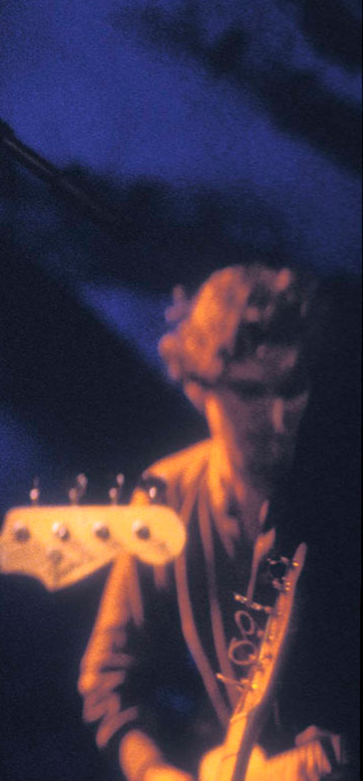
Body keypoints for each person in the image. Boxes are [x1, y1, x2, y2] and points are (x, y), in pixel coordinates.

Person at [80, 265, 350, 781]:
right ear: (197, 385)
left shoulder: (340, 491)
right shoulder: (166, 494)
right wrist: (155, 772)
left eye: (291, 387)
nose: (278, 418)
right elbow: (108, 680)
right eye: (250, 394)